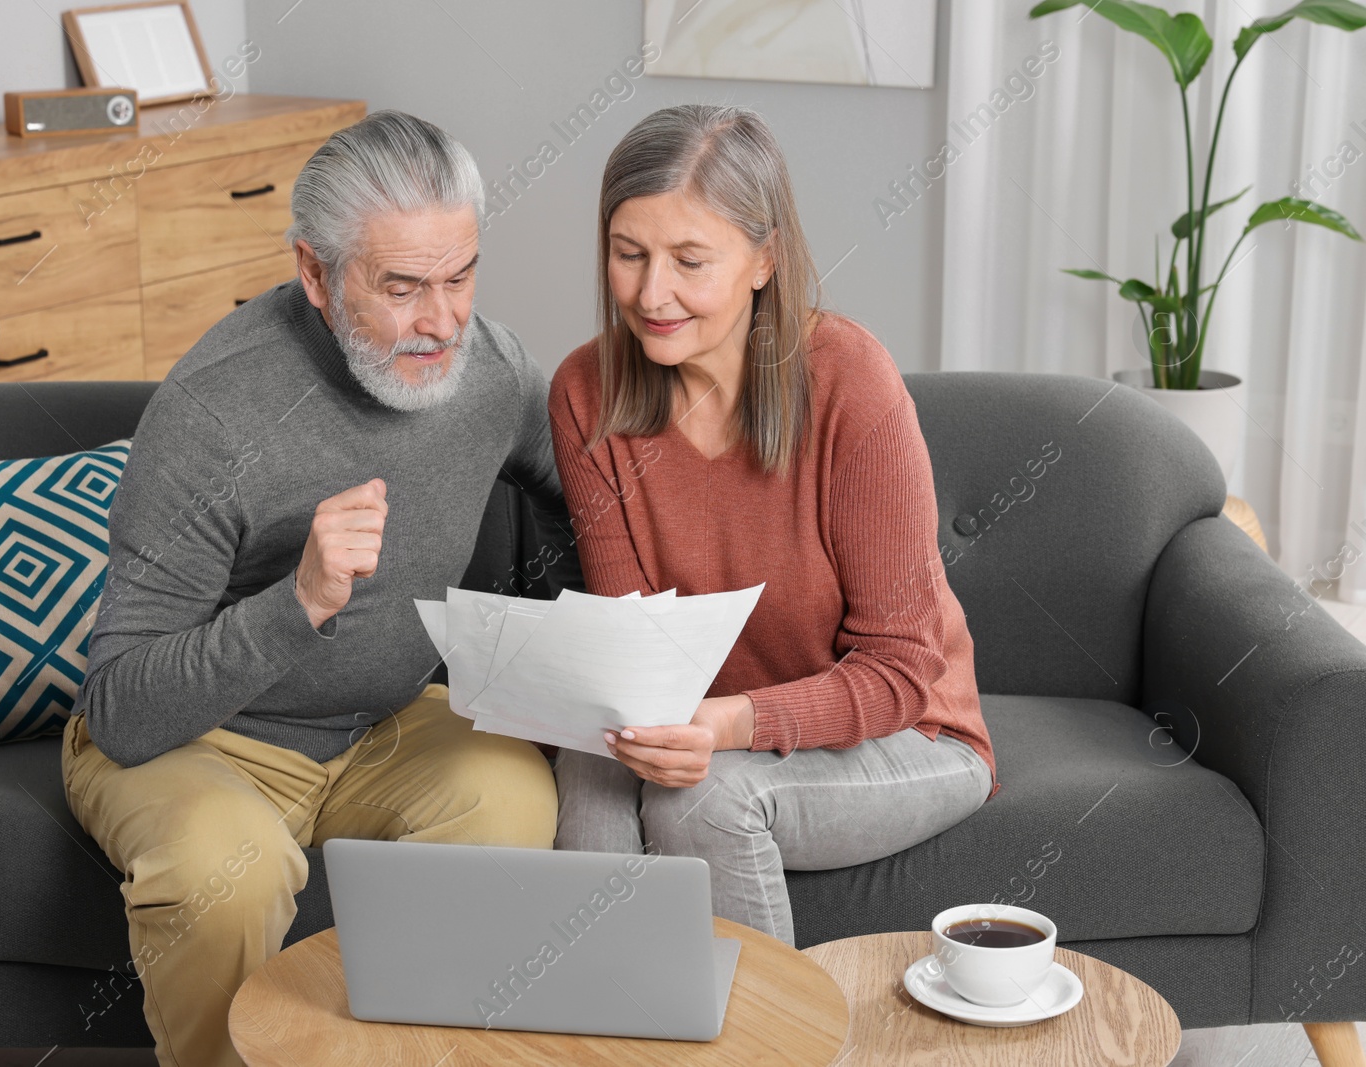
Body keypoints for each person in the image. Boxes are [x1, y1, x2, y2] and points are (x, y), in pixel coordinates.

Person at [62, 109, 579, 1067]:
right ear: (315, 272)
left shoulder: (488, 373)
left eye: (461, 276)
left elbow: (578, 488)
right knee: (231, 866)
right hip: (202, 743)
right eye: (402, 287)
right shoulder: (213, 412)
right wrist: (295, 603)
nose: (442, 320)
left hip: (381, 727)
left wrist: (574, 646)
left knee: (509, 798)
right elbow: (121, 708)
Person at [548, 103, 998, 949]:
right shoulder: (586, 392)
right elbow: (634, 643)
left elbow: (902, 672)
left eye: (690, 261)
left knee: (706, 796)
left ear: (765, 258)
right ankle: (602, 1033)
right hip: (705, 725)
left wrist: (725, 726)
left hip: (909, 731)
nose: (652, 295)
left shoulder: (848, 382)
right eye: (628, 254)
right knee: (592, 763)